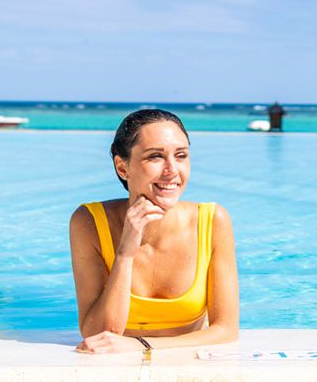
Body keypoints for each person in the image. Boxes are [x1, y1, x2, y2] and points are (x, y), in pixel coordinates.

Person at [69, 108, 239, 353]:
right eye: (155, 157)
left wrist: (142, 345)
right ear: (122, 167)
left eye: (181, 156)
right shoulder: (89, 222)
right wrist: (125, 253)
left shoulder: (212, 221)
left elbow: (226, 330)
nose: (172, 170)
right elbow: (98, 333)